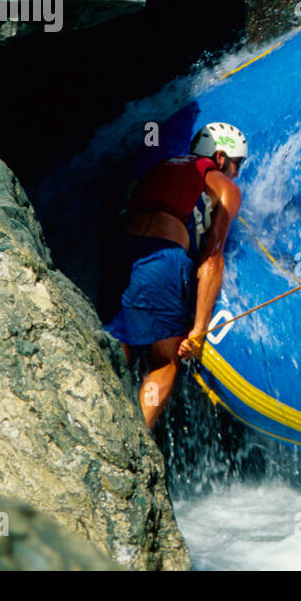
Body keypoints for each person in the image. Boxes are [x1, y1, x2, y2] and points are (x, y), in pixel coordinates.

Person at [105, 122, 245, 429]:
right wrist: (198, 331)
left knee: (120, 347)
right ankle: (136, 436)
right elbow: (212, 260)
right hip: (162, 258)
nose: (236, 173)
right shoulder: (224, 185)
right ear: (220, 158)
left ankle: (93, 419)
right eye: (237, 164)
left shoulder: (160, 166)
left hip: (119, 251)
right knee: (164, 361)